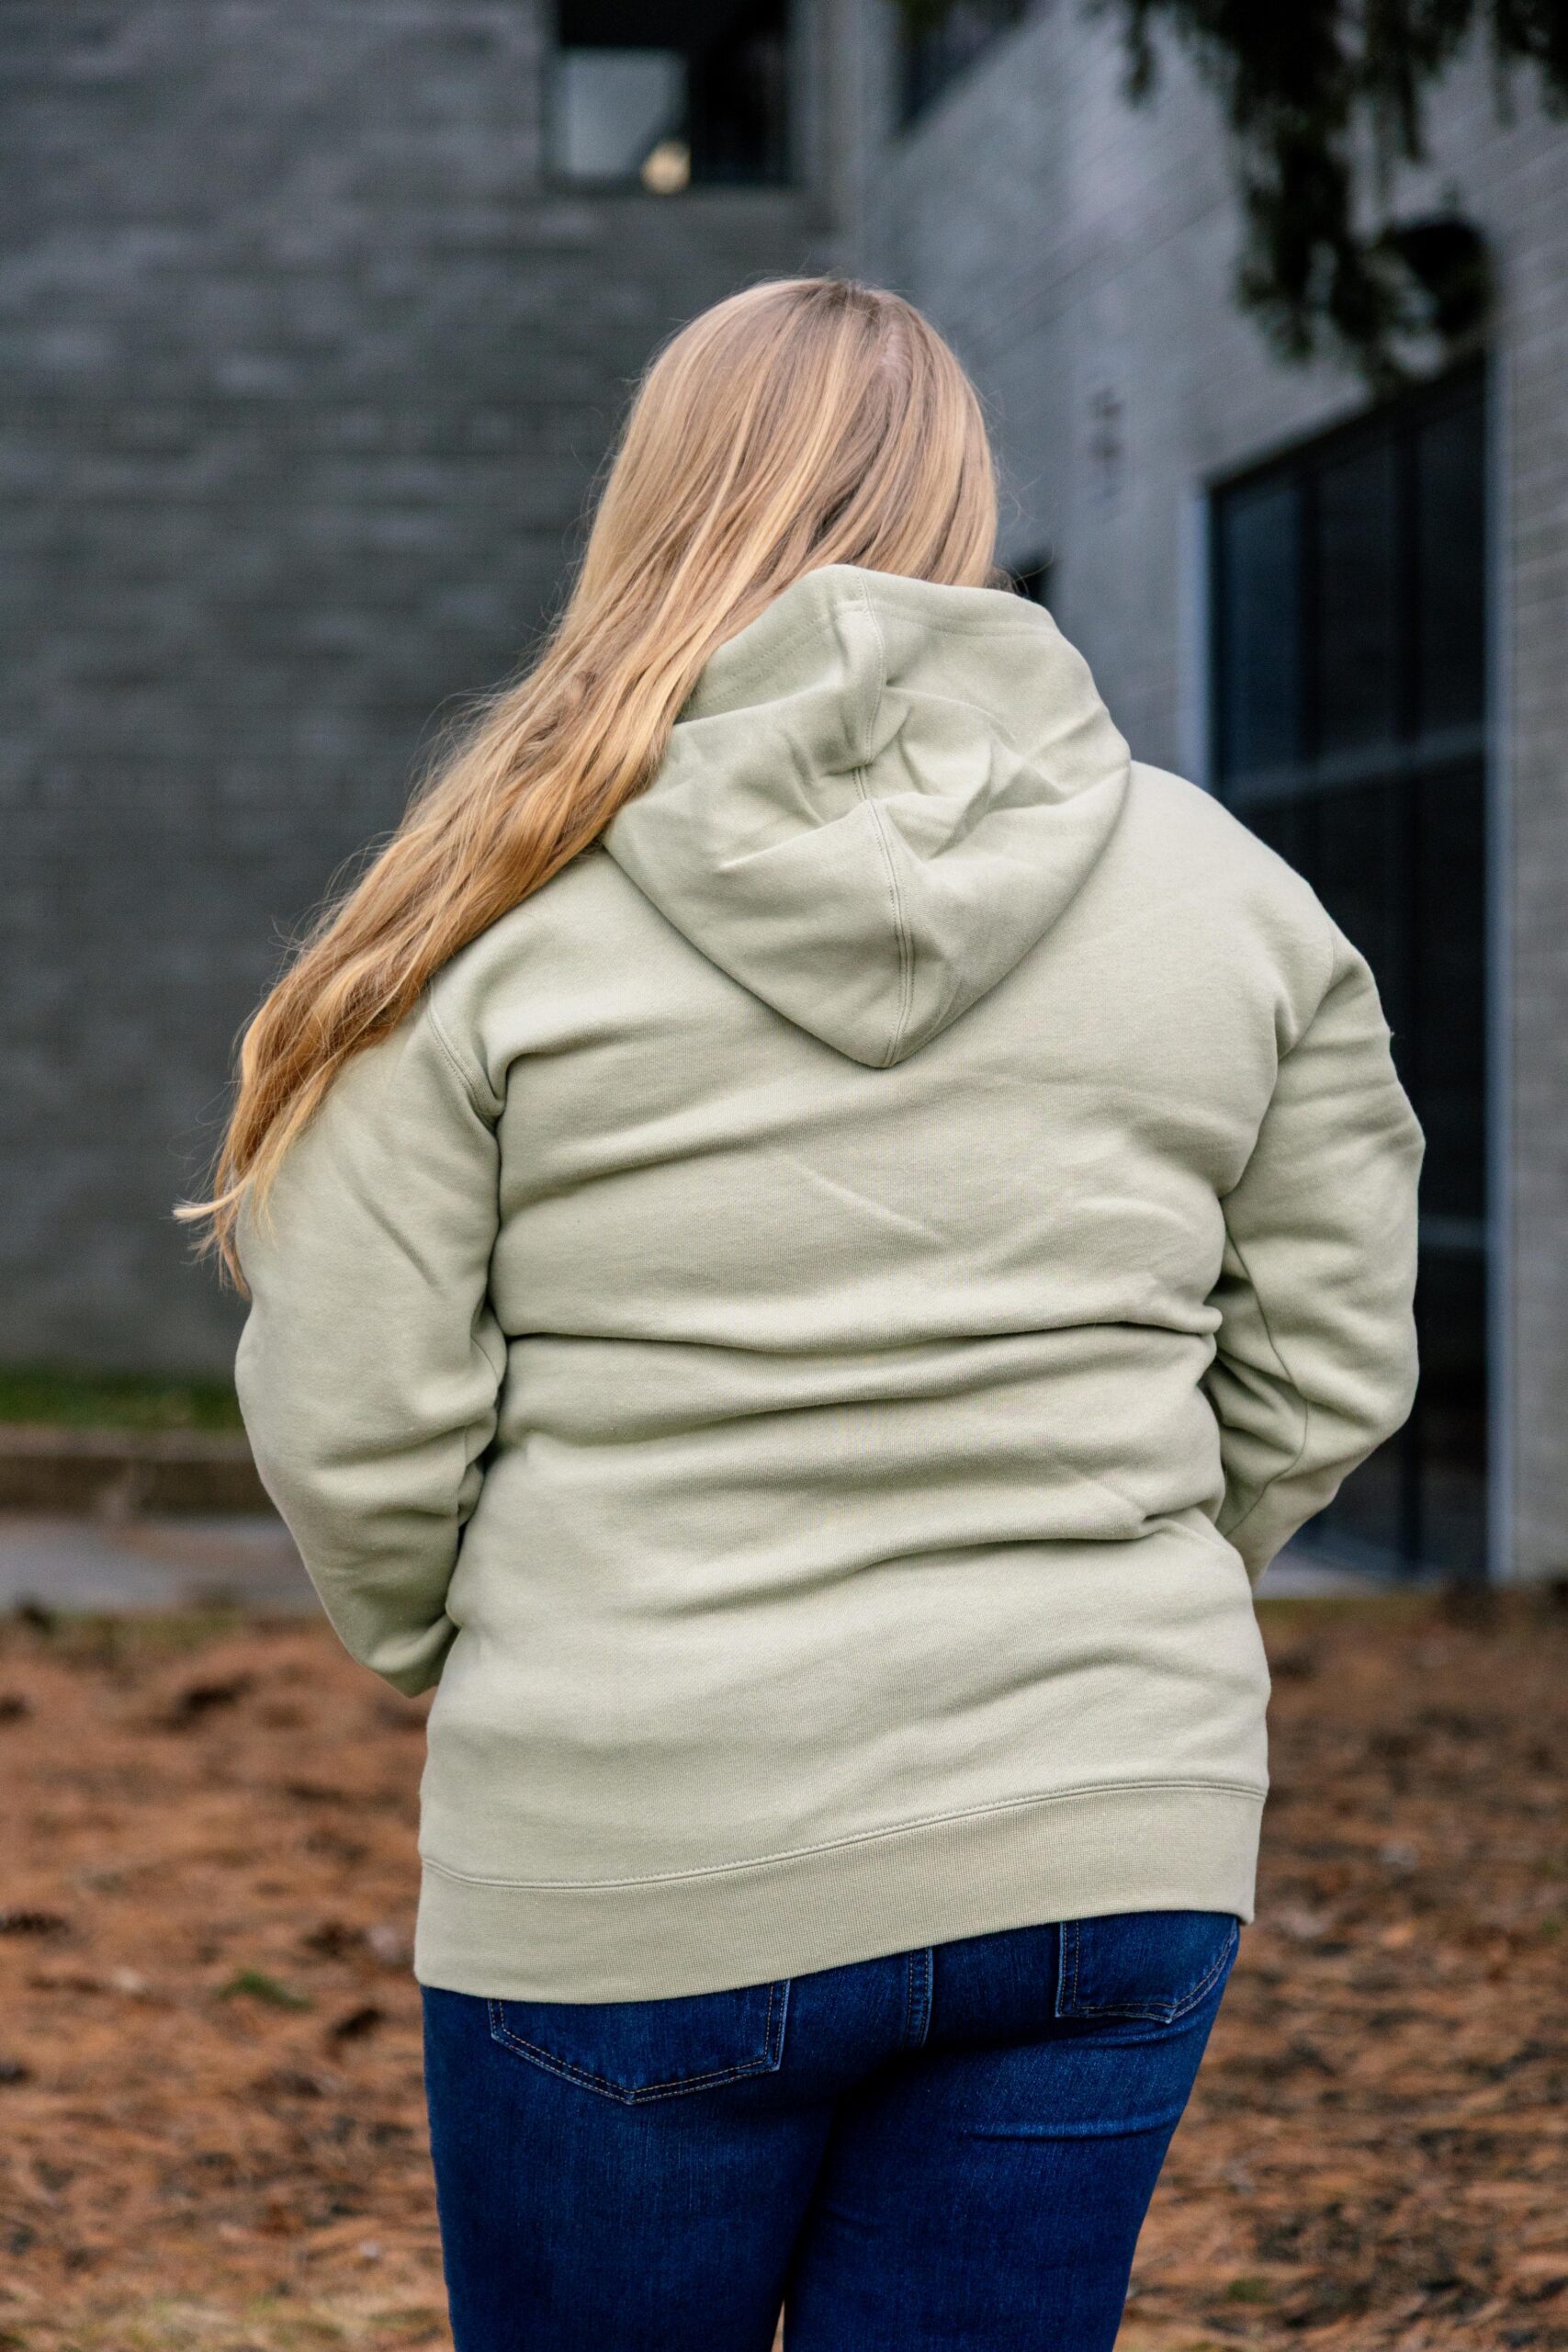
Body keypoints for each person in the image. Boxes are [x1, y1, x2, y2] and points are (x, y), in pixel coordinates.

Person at [185, 277, 1423, 2351]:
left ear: (653, 502)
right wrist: (1114, 1581)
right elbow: (1331, 1348)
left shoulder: (488, 906)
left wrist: (481, 1644)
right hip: (1099, 1820)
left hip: (627, 1834)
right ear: (964, 496)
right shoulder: (1224, 895)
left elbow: (355, 1405)